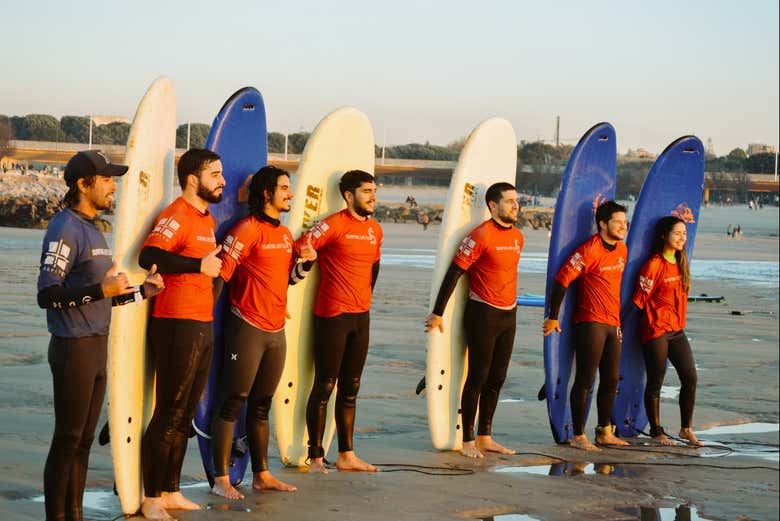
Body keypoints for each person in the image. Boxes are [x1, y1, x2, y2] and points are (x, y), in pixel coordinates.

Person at [37, 150, 163, 521]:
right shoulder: (64, 228)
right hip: (72, 347)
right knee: (67, 438)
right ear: (83, 184)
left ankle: (75, 512)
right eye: (107, 179)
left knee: (85, 439)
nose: (114, 186)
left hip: (95, 346)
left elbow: (102, 298)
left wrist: (142, 291)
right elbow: (47, 294)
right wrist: (100, 292)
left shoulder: (94, 229)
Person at [209, 166, 316, 499]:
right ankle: (221, 479)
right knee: (231, 403)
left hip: (276, 330)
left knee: (261, 405)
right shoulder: (245, 230)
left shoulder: (284, 235)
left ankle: (262, 474)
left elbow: (286, 280)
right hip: (246, 327)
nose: (291, 193)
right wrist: (202, 322)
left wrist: (307, 264)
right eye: (284, 188)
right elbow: (220, 277)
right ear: (266, 193)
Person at [138, 149, 225, 520]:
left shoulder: (205, 220)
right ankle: (151, 497)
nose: (223, 180)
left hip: (201, 322)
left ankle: (172, 491)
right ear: (193, 179)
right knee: (168, 413)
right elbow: (149, 254)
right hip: (176, 323)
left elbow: (210, 270)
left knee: (185, 413)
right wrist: (197, 265)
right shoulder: (176, 215)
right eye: (215, 175)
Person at [424, 182, 524, 458]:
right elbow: (455, 273)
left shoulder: (517, 236)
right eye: (509, 201)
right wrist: (438, 311)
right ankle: (467, 439)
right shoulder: (480, 236)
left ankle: (485, 436)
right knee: (478, 376)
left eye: (517, 200)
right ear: (493, 206)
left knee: (498, 377)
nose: (516, 205)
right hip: (484, 312)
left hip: (509, 312)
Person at [299, 170, 382, 474]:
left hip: (361, 316)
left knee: (352, 386)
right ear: (349, 196)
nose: (373, 196)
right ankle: (316, 455)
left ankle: (347, 454)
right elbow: (302, 246)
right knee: (325, 384)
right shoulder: (332, 225)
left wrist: (365, 299)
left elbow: (374, 267)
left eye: (374, 191)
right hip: (332, 315)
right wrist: (306, 254)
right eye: (366, 191)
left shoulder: (375, 229)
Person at [542, 200, 630, 451]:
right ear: (603, 224)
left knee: (611, 379)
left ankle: (604, 432)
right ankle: (579, 435)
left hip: (613, 322)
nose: (623, 227)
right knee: (585, 379)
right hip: (590, 322)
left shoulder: (622, 251)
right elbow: (562, 280)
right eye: (618, 222)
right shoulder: (588, 250)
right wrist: (553, 316)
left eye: (625, 223)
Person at [633, 216, 700, 446]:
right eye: (677, 233)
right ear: (664, 235)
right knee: (655, 383)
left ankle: (686, 429)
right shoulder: (653, 264)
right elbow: (638, 301)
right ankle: (656, 431)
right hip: (656, 330)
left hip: (676, 330)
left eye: (684, 233)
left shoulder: (681, 261)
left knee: (690, 377)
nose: (682, 237)